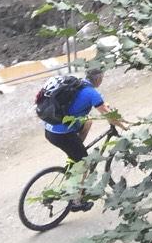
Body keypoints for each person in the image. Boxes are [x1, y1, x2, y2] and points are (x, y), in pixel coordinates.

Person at [43, 68, 124, 210]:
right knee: (84, 162)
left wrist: (106, 107)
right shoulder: (92, 93)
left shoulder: (79, 84)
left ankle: (74, 154)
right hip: (61, 135)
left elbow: (100, 105)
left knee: (87, 122)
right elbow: (108, 115)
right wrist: (123, 126)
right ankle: (76, 202)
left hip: (50, 130)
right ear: (99, 79)